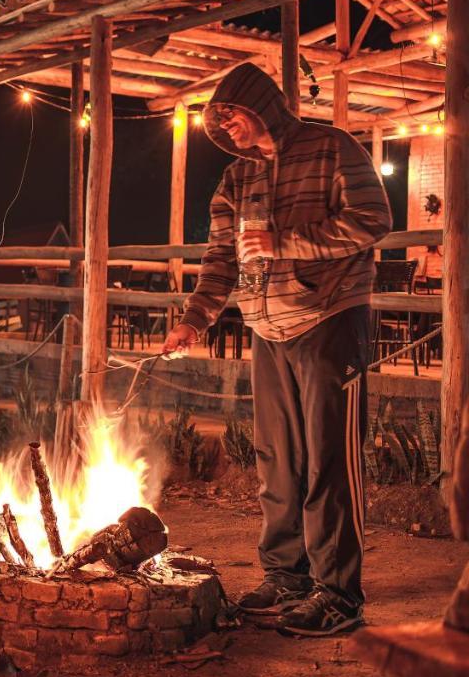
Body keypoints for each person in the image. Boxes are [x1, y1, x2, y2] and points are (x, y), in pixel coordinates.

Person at [161, 64, 391, 637]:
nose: (223, 124)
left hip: (330, 319)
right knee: (278, 461)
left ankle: (338, 595)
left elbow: (373, 219)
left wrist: (284, 241)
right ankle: (287, 576)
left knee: (329, 463)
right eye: (217, 118)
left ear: (259, 104)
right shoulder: (235, 180)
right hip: (268, 327)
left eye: (229, 112)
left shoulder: (331, 148)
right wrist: (195, 320)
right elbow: (220, 261)